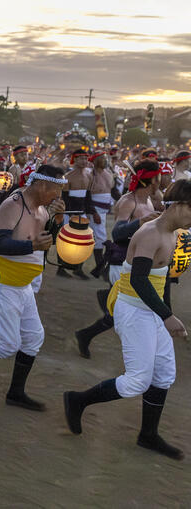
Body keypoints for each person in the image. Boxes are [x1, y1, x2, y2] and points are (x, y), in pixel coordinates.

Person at [64, 180, 191, 460]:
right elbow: (138, 279)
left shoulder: (173, 233)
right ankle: (78, 400)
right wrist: (167, 316)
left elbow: (162, 282)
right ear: (180, 206)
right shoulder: (150, 233)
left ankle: (148, 435)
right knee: (137, 381)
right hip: (134, 310)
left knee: (164, 374)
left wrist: (165, 315)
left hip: (149, 310)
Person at [0, 165, 66, 411]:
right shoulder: (14, 205)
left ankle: (15, 392)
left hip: (23, 286)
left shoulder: (42, 209)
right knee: (7, 344)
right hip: (4, 283)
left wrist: (57, 220)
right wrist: (32, 246)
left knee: (34, 337)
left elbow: (46, 239)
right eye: (56, 189)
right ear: (42, 185)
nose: (58, 195)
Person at [74, 159, 161, 358]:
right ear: (152, 179)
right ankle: (88, 333)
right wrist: (139, 222)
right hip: (122, 262)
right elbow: (117, 233)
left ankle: (86, 333)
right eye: (158, 176)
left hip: (136, 261)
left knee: (124, 311)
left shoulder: (148, 200)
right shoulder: (129, 201)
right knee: (127, 312)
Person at [57, 149, 94, 279]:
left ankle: (78, 268)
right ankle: (61, 267)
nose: (84, 161)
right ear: (75, 159)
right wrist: (69, 213)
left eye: (86, 158)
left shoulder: (89, 175)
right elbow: (65, 197)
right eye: (81, 158)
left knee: (84, 239)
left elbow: (88, 197)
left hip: (81, 212)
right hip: (69, 212)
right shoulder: (68, 176)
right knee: (65, 239)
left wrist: (91, 212)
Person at [88, 151, 118, 277]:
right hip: (94, 210)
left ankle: (99, 268)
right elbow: (87, 195)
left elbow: (113, 192)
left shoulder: (109, 174)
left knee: (99, 238)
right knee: (100, 238)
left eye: (106, 158)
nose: (105, 160)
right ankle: (101, 269)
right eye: (102, 158)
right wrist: (94, 212)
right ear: (95, 161)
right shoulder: (90, 175)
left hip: (105, 211)